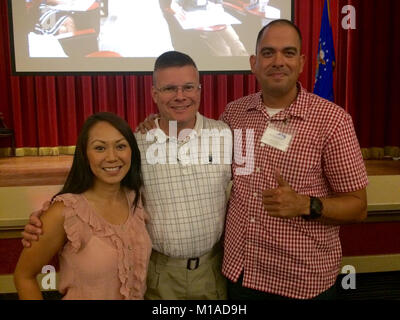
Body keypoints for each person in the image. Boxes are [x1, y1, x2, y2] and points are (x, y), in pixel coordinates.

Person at [21, 51, 232, 300]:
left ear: (199, 90)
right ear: (154, 94)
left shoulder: (225, 136)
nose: (180, 96)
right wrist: (47, 219)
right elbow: (98, 195)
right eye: (169, 89)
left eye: (188, 87)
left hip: (213, 272)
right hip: (156, 275)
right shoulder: (135, 145)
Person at [221, 19, 368, 299]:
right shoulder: (234, 114)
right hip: (240, 273)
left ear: (301, 63)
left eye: (288, 53)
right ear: (254, 62)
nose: (278, 61)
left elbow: (358, 208)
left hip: (300, 281)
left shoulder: (332, 121)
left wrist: (305, 204)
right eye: (268, 53)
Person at [15, 112, 152, 300]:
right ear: (85, 155)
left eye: (120, 146)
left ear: (132, 152)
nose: (112, 157)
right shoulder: (65, 211)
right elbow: (23, 276)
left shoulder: (136, 199)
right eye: (100, 148)